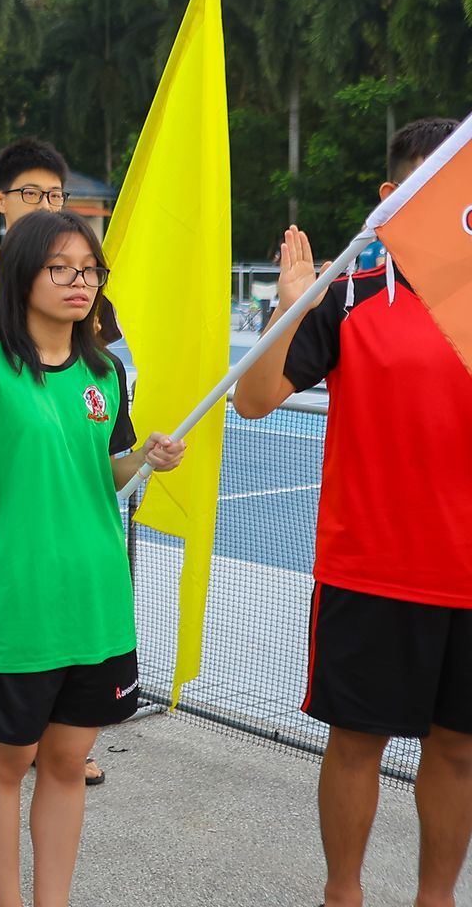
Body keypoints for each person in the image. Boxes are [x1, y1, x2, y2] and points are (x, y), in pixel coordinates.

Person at [232, 117, 472, 907]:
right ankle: (344, 894)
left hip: (467, 576)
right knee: (357, 743)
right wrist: (292, 305)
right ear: (391, 198)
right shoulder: (352, 291)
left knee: (461, 753)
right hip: (373, 566)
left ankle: (435, 899)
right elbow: (255, 399)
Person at [0, 210, 181, 907]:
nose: (80, 283)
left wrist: (145, 460)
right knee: (4, 765)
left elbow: (109, 473)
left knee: (68, 763)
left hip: (97, 604)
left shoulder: (105, 372)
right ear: (24, 275)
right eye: (61, 268)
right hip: (18, 607)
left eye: (90, 270)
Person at [0, 138, 120, 791]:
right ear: (1, 202)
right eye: (31, 195)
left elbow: (97, 365)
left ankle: (64, 738)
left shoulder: (85, 284)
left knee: (64, 601)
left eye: (54, 195)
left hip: (64, 483)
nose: (45, 204)